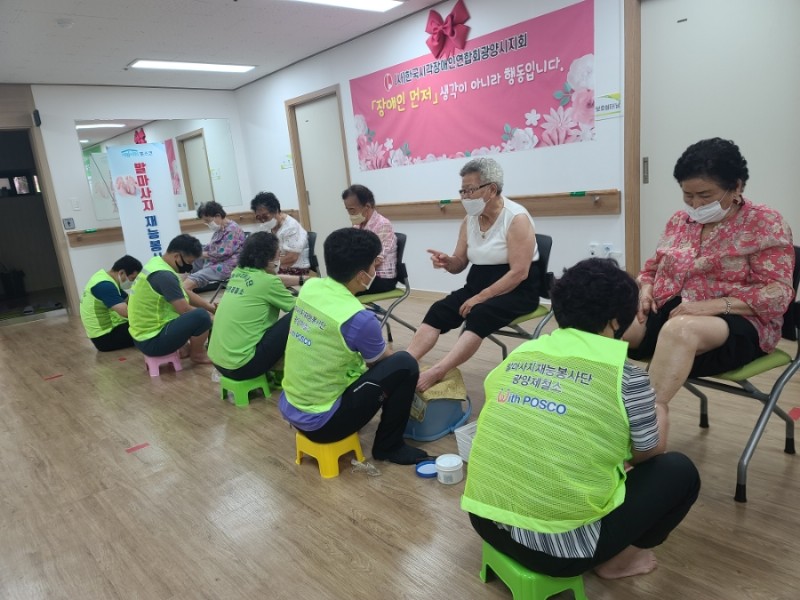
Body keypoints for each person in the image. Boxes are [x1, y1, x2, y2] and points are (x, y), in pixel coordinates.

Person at [462, 258, 700, 580]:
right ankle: (618, 563)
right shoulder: (627, 378)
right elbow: (647, 455)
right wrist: (660, 408)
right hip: (557, 554)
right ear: (615, 322)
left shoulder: (520, 354)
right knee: (678, 471)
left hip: (484, 520)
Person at [624, 138, 795, 425]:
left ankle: (640, 427)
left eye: (705, 195)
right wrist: (645, 290)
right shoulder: (680, 221)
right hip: (671, 309)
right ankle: (583, 411)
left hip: (737, 321)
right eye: (687, 195)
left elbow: (778, 294)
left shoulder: (765, 222)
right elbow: (652, 268)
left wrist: (714, 305)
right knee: (606, 320)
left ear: (736, 186)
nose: (695, 204)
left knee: (681, 330)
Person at [279, 228, 426, 465]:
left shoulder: (311, 287)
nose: (376, 269)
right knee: (405, 364)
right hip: (322, 425)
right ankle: (390, 447)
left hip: (291, 408)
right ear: (361, 276)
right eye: (374, 264)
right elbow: (384, 362)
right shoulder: (358, 318)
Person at [408, 157, 540, 391]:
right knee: (439, 309)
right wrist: (447, 262)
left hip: (517, 290)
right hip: (477, 285)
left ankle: (438, 370)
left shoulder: (516, 218)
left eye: (470, 190)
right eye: (463, 191)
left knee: (479, 314)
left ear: (491, 189)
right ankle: (405, 362)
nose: (465, 197)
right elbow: (460, 263)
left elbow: (519, 272)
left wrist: (481, 297)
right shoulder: (469, 220)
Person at [208, 232, 296, 380]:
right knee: (299, 315)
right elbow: (300, 308)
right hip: (242, 367)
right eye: (278, 255)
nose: (278, 260)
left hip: (219, 363)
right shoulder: (268, 282)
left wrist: (301, 280)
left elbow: (268, 281)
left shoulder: (237, 273)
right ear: (267, 258)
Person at [128, 234, 213, 363]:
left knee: (202, 313)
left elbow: (182, 292)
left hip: (143, 336)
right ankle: (197, 355)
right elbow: (184, 310)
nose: (190, 266)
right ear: (177, 256)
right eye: (189, 262)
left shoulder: (156, 264)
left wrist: (210, 307)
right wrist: (209, 315)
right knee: (202, 316)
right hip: (152, 340)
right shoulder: (164, 275)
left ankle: (184, 348)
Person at [342, 184, 398, 294]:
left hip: (381, 277)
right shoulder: (357, 225)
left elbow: (377, 260)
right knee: (334, 284)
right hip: (362, 274)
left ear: (367, 207)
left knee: (342, 290)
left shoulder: (383, 225)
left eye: (352, 209)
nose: (350, 214)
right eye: (347, 210)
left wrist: (352, 269)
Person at [183, 201, 246, 298]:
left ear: (218, 216)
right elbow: (211, 246)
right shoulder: (220, 229)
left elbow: (222, 253)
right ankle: (183, 287)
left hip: (228, 265)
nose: (207, 224)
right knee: (190, 260)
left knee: (196, 275)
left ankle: (184, 290)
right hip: (217, 261)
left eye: (208, 221)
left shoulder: (232, 229)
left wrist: (200, 254)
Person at [79, 255, 142, 351]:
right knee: (151, 325)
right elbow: (127, 312)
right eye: (132, 279)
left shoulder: (106, 279)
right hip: (105, 338)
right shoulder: (105, 285)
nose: (132, 282)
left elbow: (130, 301)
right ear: (121, 273)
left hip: (109, 330)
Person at [251, 191, 310, 288]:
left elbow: (292, 258)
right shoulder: (267, 227)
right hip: (276, 266)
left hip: (294, 268)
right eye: (259, 217)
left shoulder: (291, 227)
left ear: (276, 211)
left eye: (265, 216)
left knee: (259, 280)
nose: (262, 220)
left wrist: (269, 265)